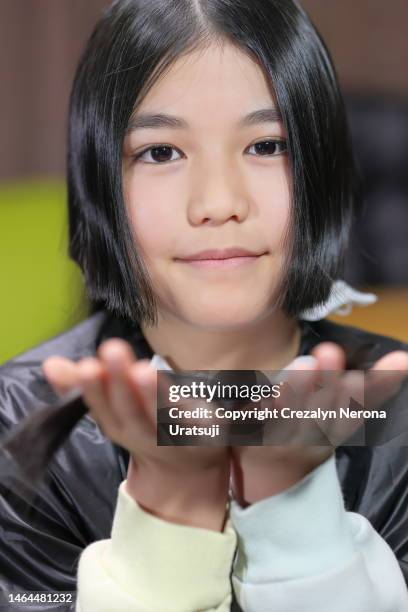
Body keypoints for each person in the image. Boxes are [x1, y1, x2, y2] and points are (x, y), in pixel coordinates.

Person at [1, 0, 408, 610]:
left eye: (267, 145)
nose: (218, 202)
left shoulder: (392, 410)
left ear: (323, 168)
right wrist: (168, 509)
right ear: (100, 181)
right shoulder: (19, 425)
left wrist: (292, 513)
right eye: (161, 152)